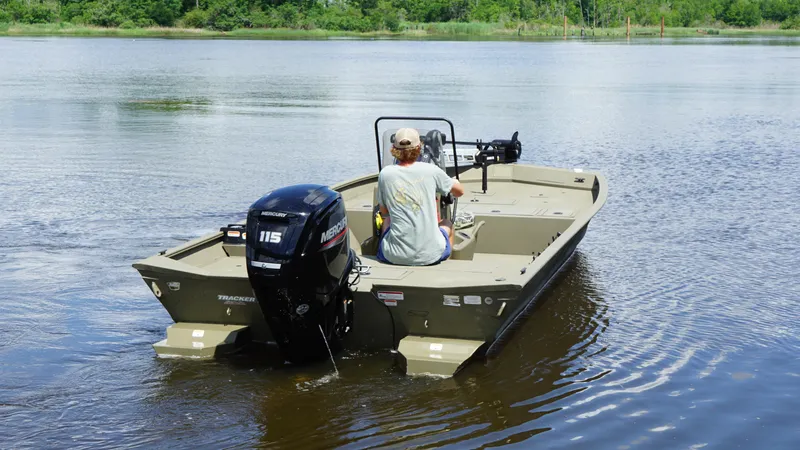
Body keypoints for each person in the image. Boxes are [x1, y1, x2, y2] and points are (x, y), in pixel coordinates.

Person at [376, 128, 465, 266]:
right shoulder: (432, 170)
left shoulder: (385, 174)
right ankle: (445, 265)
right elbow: (459, 192)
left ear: (394, 149)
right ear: (419, 147)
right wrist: (455, 182)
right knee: (447, 224)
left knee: (387, 221)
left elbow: (384, 212)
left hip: (393, 256)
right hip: (431, 256)